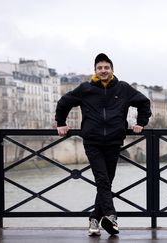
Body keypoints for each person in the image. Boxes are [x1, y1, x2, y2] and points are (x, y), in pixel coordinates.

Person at [55, 53, 151, 236]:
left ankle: (94, 220)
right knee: (102, 180)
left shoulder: (123, 88)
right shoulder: (86, 89)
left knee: (106, 183)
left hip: (114, 141)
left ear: (112, 70)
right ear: (95, 71)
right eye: (100, 68)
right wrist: (61, 123)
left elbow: (144, 103)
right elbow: (64, 103)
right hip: (93, 142)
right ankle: (111, 215)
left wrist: (141, 122)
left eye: (106, 67)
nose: (103, 71)